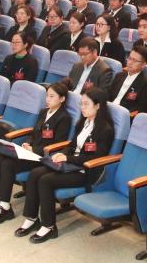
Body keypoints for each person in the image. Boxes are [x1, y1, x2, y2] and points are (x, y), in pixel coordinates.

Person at [14, 86, 114, 243]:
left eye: (86, 104)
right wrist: (63, 154)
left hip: (85, 171)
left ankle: (49, 226)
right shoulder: (83, 122)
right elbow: (72, 145)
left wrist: (68, 159)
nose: (82, 107)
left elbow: (95, 157)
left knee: (46, 180)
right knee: (35, 173)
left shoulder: (105, 129)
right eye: (81, 104)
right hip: (71, 165)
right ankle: (32, 218)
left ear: (98, 106)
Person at [0, 81, 74, 224]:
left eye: (52, 96)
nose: (47, 99)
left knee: (7, 164)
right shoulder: (44, 112)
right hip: (30, 152)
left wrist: (35, 150)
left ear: (62, 99)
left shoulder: (64, 118)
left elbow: (57, 144)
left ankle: (5, 207)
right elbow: (34, 132)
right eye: (47, 96)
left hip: (43, 157)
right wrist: (28, 143)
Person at [108, 44, 147, 111]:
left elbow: (141, 107)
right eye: (129, 58)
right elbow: (108, 95)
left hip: (124, 113)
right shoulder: (119, 75)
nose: (129, 62)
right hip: (109, 109)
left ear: (143, 65)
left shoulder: (146, 83)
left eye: (134, 60)